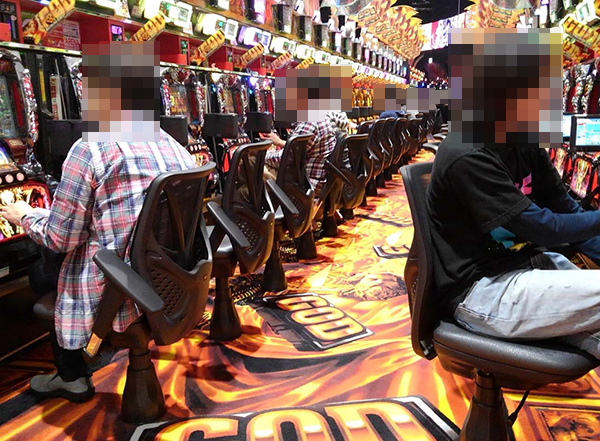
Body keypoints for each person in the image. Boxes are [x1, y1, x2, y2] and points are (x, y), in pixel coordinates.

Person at [0, 41, 197, 402]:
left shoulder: (90, 149)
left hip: (120, 289)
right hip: (168, 281)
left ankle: (72, 372)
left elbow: (61, 237)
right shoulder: (175, 146)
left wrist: (24, 215)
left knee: (42, 270)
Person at [428, 28, 600, 359]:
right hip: (481, 290)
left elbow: (567, 210)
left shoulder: (524, 140)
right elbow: (544, 228)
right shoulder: (468, 152)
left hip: (527, 266)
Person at [261, 113, 338, 195]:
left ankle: (270, 201)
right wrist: (279, 143)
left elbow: (284, 159)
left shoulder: (308, 124)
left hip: (305, 187)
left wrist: (261, 155)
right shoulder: (320, 117)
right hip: (318, 183)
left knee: (255, 166)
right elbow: (298, 149)